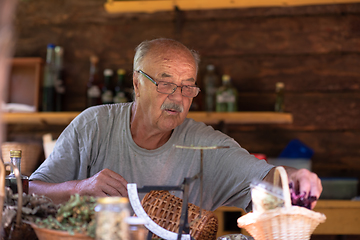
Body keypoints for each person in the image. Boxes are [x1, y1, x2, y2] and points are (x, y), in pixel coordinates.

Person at [29, 38, 322, 212]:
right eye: (165, 84)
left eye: (187, 87)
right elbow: (30, 190)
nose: (177, 98)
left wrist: (296, 178)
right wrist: (82, 187)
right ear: (136, 83)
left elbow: (269, 180)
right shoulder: (94, 125)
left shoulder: (206, 145)